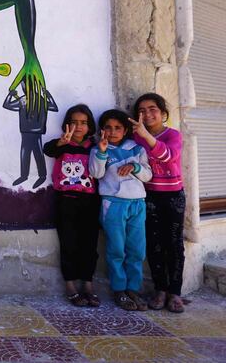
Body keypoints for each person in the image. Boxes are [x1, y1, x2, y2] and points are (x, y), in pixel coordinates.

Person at [89, 109, 152, 312]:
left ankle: (133, 288)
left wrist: (135, 168)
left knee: (136, 249)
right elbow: (96, 173)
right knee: (116, 249)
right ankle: (119, 290)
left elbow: (148, 175)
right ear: (102, 130)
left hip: (137, 204)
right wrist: (101, 152)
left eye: (118, 128)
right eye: (108, 127)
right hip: (113, 204)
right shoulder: (99, 149)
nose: (113, 131)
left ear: (125, 130)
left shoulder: (137, 149)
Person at [131, 93, 186, 313]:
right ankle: (160, 290)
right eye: (142, 110)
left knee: (173, 245)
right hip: (149, 197)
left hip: (173, 197)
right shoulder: (136, 140)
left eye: (152, 109)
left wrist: (146, 135)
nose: (147, 113)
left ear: (163, 114)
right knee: (153, 245)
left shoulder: (173, 135)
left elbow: (169, 156)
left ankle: (175, 292)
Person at [43, 104, 100, 307]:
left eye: (83, 123)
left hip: (90, 202)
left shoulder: (94, 147)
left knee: (89, 245)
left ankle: (88, 285)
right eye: (74, 122)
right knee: (68, 244)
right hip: (65, 201)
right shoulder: (61, 145)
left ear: (90, 126)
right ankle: (70, 285)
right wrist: (60, 142)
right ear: (67, 125)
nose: (79, 127)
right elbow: (47, 150)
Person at [3, 80, 58, 188]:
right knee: (29, 153)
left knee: (33, 153)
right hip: (29, 131)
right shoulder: (28, 99)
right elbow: (53, 106)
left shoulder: (29, 100)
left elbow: (7, 104)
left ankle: (39, 176)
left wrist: (10, 95)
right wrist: (48, 96)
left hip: (33, 131)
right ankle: (27, 175)